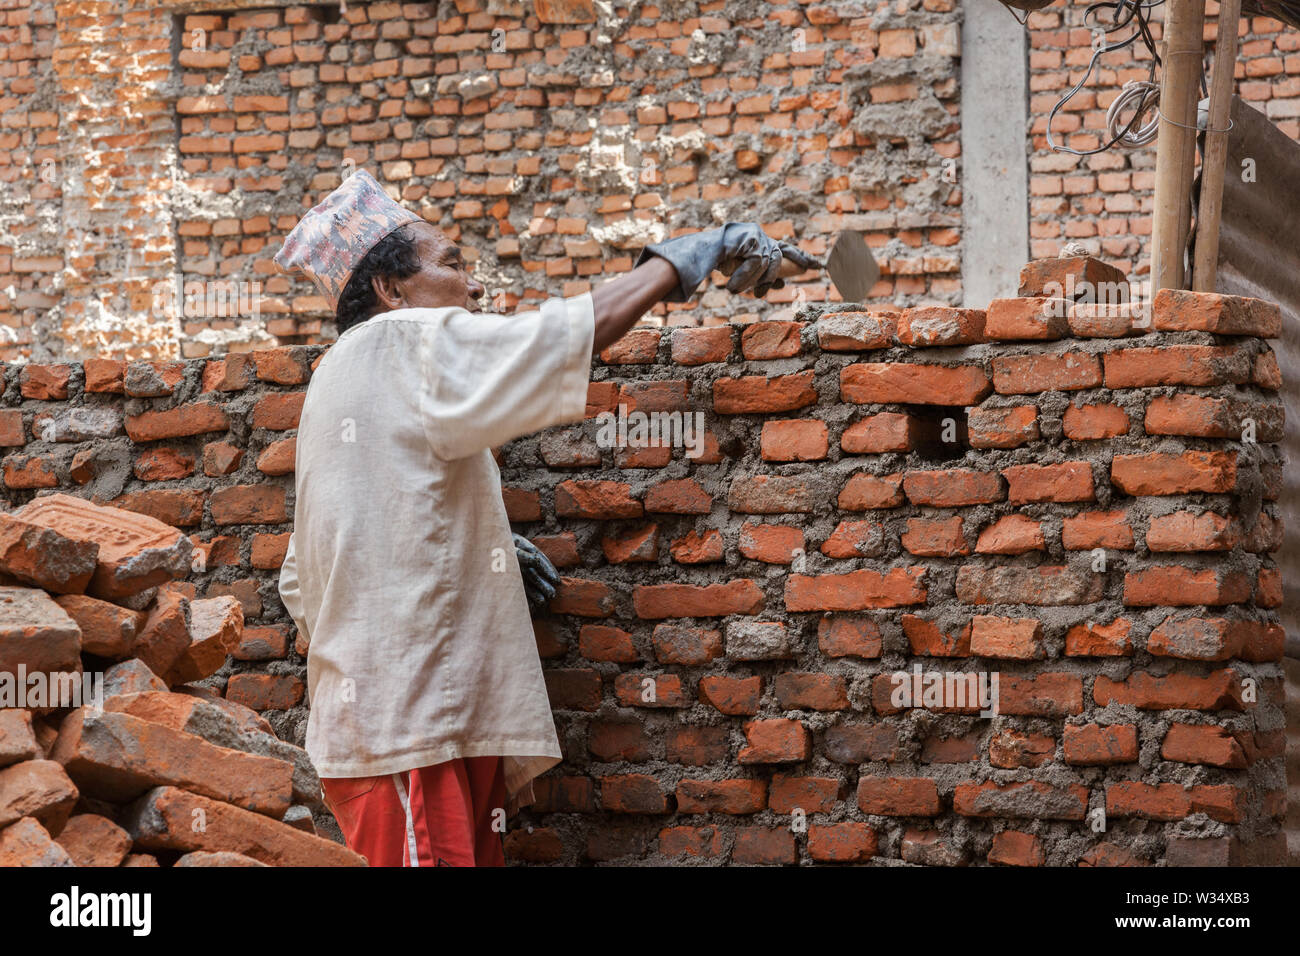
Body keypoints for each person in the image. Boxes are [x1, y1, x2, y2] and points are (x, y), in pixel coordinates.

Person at [273, 168, 817, 866]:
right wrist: (685, 257)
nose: (473, 287)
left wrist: (480, 551)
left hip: (400, 728)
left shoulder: (337, 377)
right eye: (452, 264)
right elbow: (560, 337)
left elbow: (305, 573)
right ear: (391, 289)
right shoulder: (399, 341)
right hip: (407, 735)